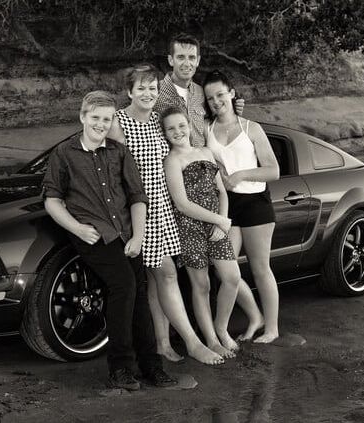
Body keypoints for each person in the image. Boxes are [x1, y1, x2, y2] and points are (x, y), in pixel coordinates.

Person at [42, 91, 178, 390]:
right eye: (95, 118)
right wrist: (77, 228)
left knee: (139, 295)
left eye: (107, 119)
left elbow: (137, 197)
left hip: (127, 233)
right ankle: (120, 369)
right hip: (93, 235)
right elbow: (52, 201)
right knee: (124, 285)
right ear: (82, 117)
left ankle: (151, 367)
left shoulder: (118, 151)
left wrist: (139, 235)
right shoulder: (64, 154)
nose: (101, 124)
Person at [108, 64, 222, 365]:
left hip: (165, 209)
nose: (147, 93)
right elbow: (103, 163)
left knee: (157, 279)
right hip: (138, 212)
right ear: (129, 92)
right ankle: (193, 343)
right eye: (141, 88)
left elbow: (185, 136)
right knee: (167, 274)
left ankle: (161, 343)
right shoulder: (118, 123)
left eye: (152, 88)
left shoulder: (159, 121)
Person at [162, 106, 247, 357]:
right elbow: (182, 204)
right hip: (190, 227)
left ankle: (221, 329)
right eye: (170, 128)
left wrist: (221, 223)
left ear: (189, 125)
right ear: (165, 134)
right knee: (202, 285)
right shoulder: (172, 160)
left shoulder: (206, 152)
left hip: (217, 224)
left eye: (181, 125)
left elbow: (221, 190)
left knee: (231, 278)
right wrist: (219, 220)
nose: (177, 131)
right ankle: (210, 340)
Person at [203, 70, 281, 343]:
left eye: (221, 94)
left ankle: (271, 329)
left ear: (232, 93)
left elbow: (273, 170)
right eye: (210, 97)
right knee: (226, 271)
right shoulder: (206, 129)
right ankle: (253, 316)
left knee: (261, 268)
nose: (216, 101)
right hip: (226, 206)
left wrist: (241, 175)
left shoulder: (251, 128)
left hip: (255, 203)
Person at [153, 33, 244, 147]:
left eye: (191, 57)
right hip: (171, 161)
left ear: (198, 61)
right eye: (181, 57)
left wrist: (233, 108)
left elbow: (216, 119)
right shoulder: (154, 91)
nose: (187, 64)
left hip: (201, 158)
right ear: (171, 60)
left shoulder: (201, 93)